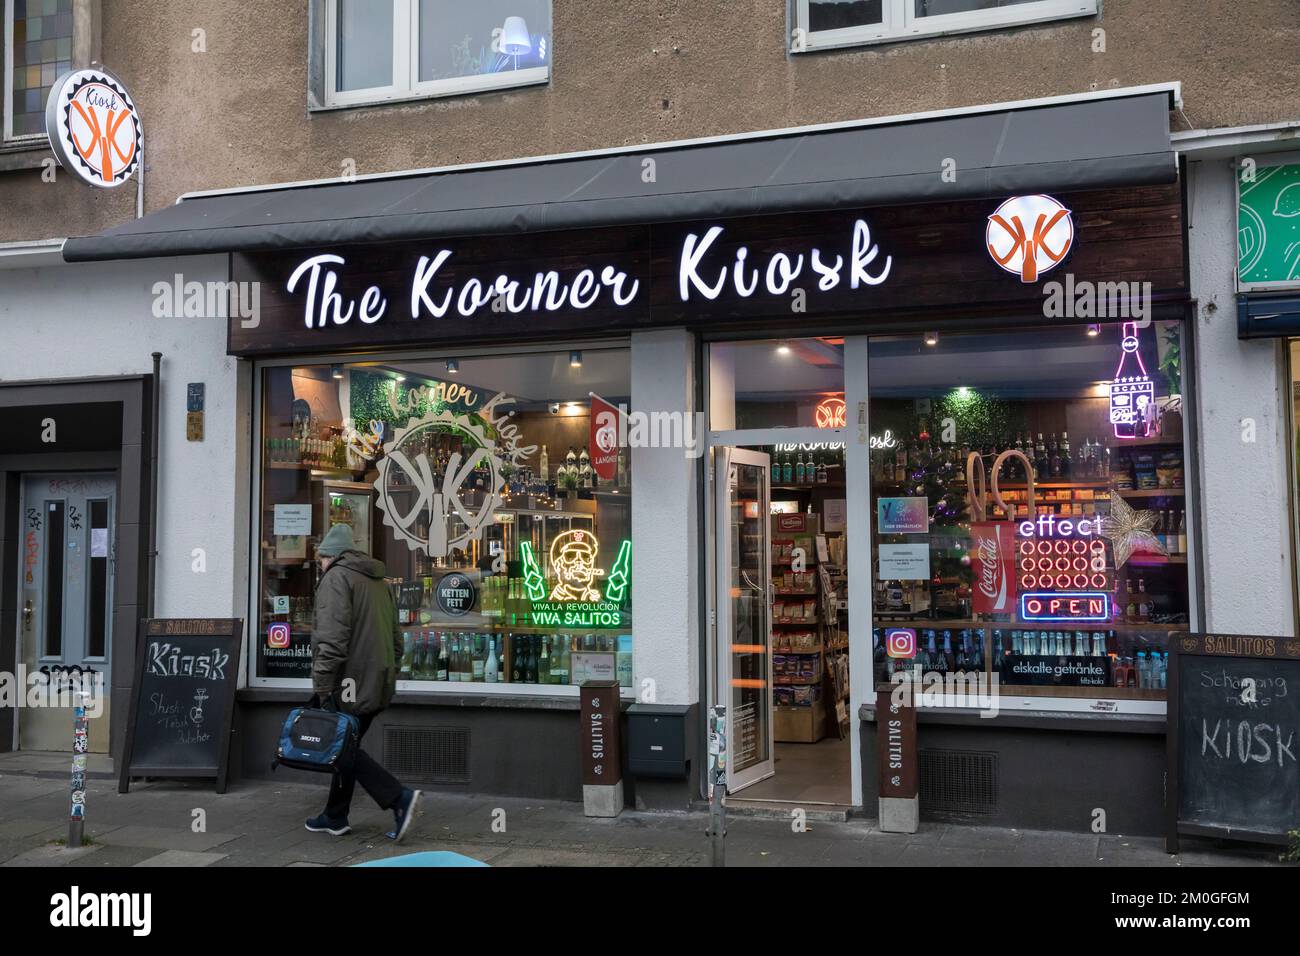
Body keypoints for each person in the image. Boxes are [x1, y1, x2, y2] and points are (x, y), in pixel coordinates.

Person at [304, 524, 421, 841]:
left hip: (348, 684)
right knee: (345, 746)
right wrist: (390, 669)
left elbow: (331, 641)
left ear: (329, 557)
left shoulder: (336, 579)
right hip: (378, 679)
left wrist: (322, 686)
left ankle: (399, 798)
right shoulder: (378, 581)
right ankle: (334, 815)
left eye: (320, 561)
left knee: (342, 748)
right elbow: (397, 640)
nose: (320, 567)